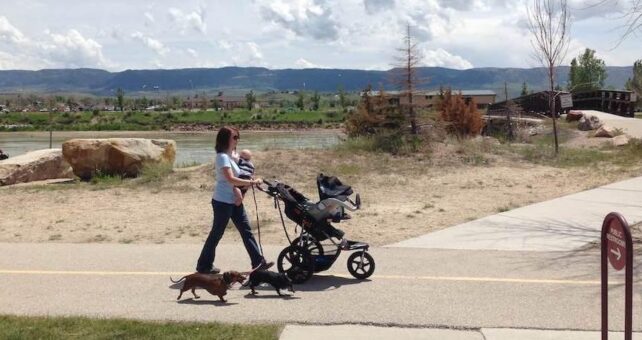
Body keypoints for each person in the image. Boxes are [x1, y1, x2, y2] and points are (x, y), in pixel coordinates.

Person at [196, 127, 273, 274]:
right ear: (226, 139)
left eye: (238, 137)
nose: (237, 140)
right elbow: (230, 179)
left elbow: (243, 171)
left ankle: (258, 262)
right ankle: (203, 265)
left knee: (246, 230)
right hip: (222, 201)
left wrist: (248, 179)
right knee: (217, 233)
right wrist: (252, 183)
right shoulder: (222, 157)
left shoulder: (231, 156)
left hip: (234, 201)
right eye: (234, 137)